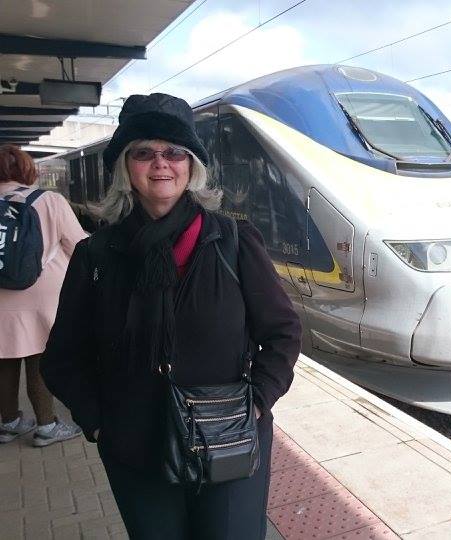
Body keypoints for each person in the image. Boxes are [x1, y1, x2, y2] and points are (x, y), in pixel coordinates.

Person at [42, 93, 302, 540]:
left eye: (175, 152)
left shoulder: (233, 242)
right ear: (126, 167)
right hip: (136, 448)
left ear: (191, 165)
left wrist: (257, 402)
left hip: (229, 439)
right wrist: (100, 424)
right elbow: (63, 358)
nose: (161, 163)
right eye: (144, 152)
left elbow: (283, 333)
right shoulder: (97, 255)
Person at [0, 145, 86, 446]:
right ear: (27, 170)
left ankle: (9, 423)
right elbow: (79, 246)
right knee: (40, 357)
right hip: (42, 295)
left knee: (4, 358)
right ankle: (47, 426)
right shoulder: (48, 200)